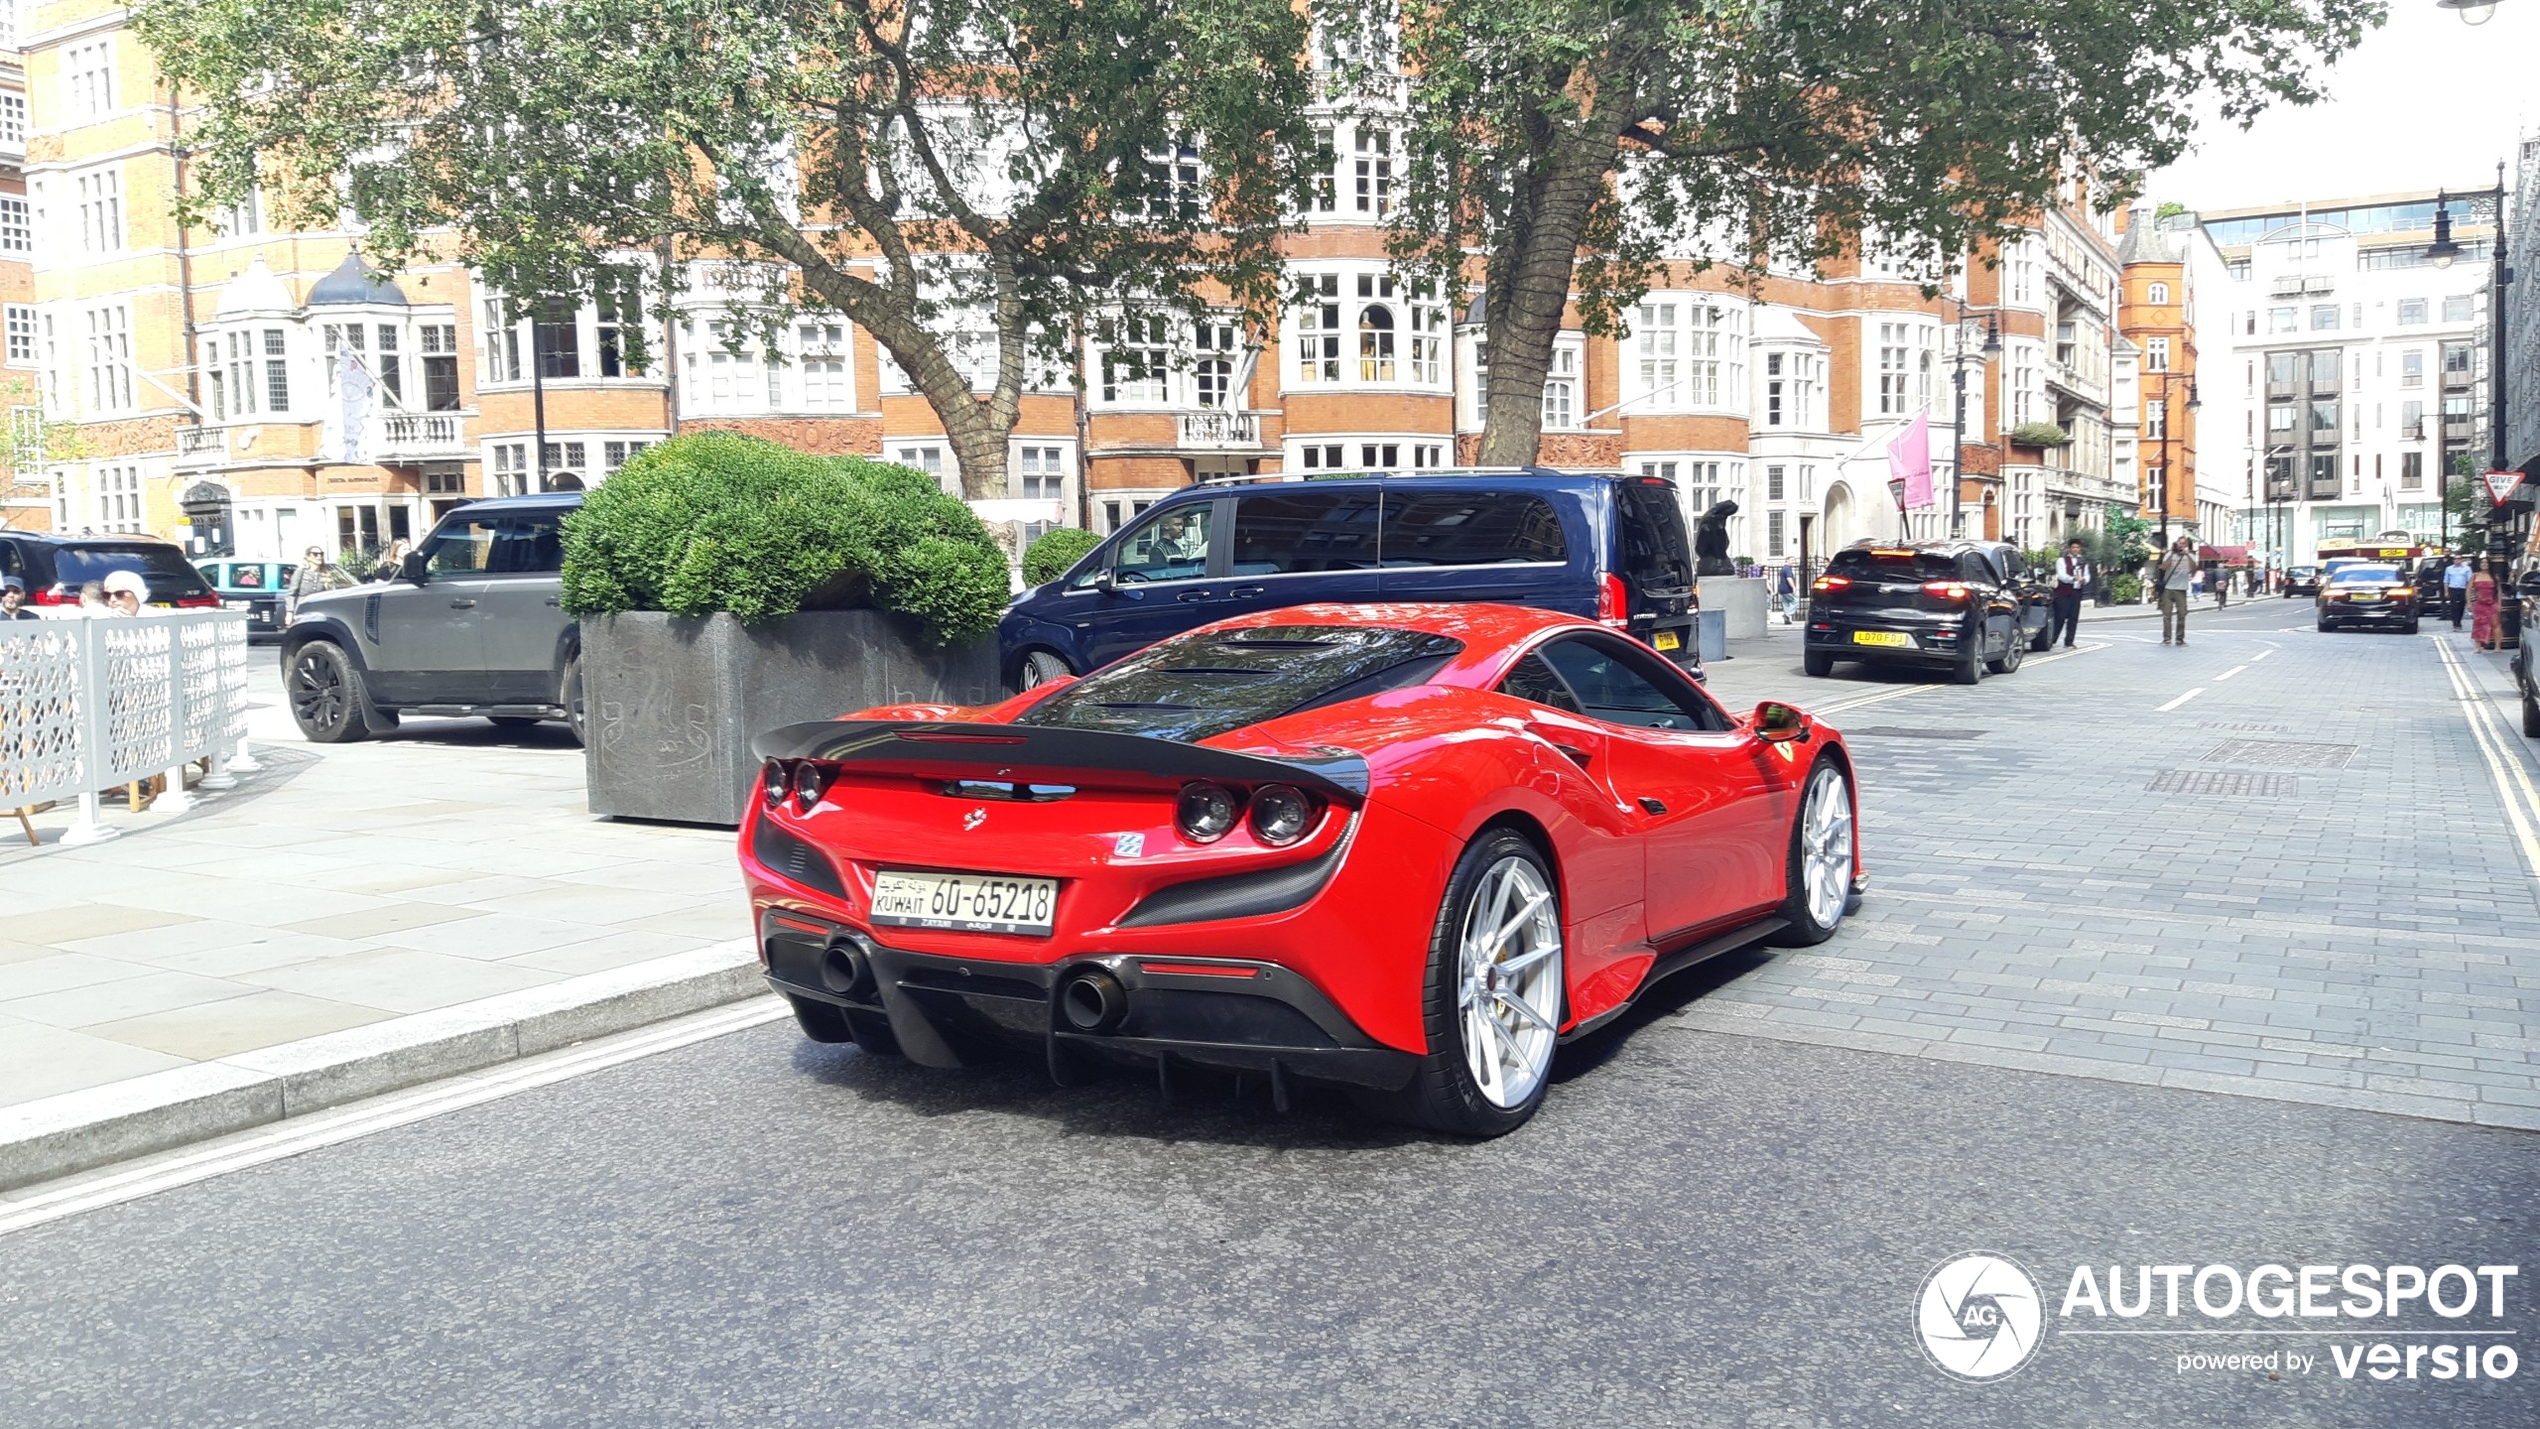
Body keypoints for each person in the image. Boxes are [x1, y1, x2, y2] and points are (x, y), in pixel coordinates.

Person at [2153, 536, 2198, 646]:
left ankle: (2179, 638)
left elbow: (2194, 569)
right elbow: (2164, 567)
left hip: (2181, 588)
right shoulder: (2169, 554)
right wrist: (2173, 554)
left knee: (2182, 614)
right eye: (2179, 543)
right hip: (2168, 588)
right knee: (2167, 615)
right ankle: (2167, 638)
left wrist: (2187, 555)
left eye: (2183, 543)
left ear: (2187, 545)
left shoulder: (2191, 556)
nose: (2181, 545)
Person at [2047, 539, 2088, 649]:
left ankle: (2069, 641)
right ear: (2069, 548)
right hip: (2063, 592)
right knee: (2059, 617)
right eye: (2073, 547)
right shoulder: (2061, 560)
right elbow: (2061, 576)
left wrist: (2084, 580)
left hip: (2076, 592)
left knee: (2073, 618)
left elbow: (2087, 575)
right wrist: (2072, 578)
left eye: (2077, 547)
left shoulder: (2083, 561)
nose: (2076, 549)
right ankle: (2052, 639)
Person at [287, 546, 343, 621]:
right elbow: (291, 593)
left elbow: (332, 595)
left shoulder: (326, 574)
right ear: (308, 557)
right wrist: (289, 612)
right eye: (315, 554)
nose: (319, 556)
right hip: (302, 611)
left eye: (321, 554)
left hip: (319, 612)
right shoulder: (301, 572)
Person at [2471, 561, 2501, 649]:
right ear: (2479, 565)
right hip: (2479, 603)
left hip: (2492, 603)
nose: (2484, 565)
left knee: (2496, 623)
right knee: (2478, 624)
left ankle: (2497, 646)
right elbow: (2468, 590)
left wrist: (2499, 604)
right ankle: (2478, 646)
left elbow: (2499, 591)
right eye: (2482, 563)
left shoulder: (2494, 577)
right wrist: (2469, 602)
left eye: (2486, 563)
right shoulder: (2475, 576)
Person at [2444, 554, 2472, 630]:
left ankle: (2459, 620)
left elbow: (2469, 580)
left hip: (2463, 589)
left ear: (2462, 560)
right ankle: (2455, 623)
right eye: (2456, 559)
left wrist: (2469, 591)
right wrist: (2446, 591)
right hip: (2453, 589)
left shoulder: (2467, 569)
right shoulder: (2449, 569)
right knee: (2454, 606)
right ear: (2453, 560)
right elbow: (2446, 581)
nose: (2457, 560)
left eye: (2459, 559)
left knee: (2461, 606)